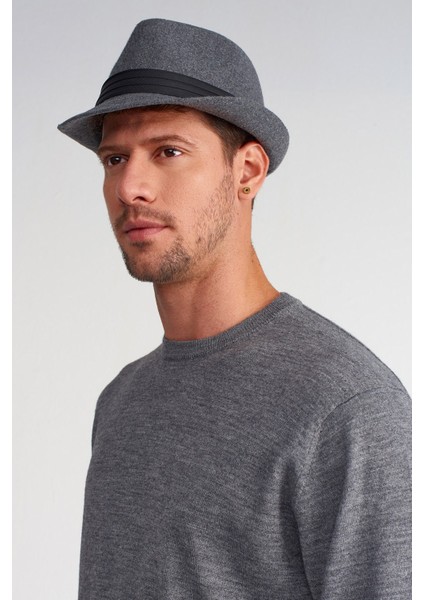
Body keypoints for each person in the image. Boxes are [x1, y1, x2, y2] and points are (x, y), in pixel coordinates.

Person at [58, 18, 411, 600]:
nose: (130, 187)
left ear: (247, 171)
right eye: (114, 159)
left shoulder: (347, 405)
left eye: (168, 151)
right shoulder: (120, 401)